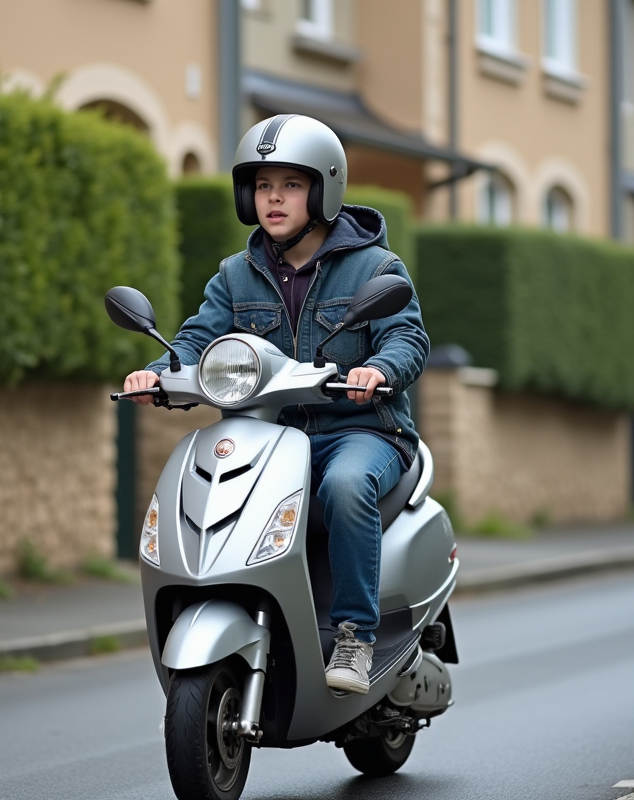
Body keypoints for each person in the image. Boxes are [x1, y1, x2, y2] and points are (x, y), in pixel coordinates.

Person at [124, 114, 430, 694]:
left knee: (345, 486)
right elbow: (195, 340)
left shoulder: (375, 268)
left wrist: (380, 369)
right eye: (262, 185)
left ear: (323, 189)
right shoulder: (235, 276)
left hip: (360, 431)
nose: (273, 198)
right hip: (269, 436)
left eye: (290, 184)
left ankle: (354, 636)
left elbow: (406, 338)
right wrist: (157, 373)